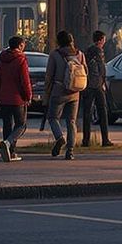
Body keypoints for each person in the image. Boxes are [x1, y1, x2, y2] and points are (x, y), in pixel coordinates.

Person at [43, 31, 86, 160]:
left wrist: (47, 92)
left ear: (59, 41)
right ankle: (70, 151)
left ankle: (59, 137)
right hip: (75, 92)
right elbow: (85, 71)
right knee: (71, 121)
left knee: (52, 117)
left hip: (58, 90)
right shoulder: (80, 54)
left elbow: (49, 75)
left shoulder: (55, 55)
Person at [0, 35, 33, 161]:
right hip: (17, 98)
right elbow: (25, 81)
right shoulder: (21, 59)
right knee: (21, 125)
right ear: (20, 45)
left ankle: (9, 152)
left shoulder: (2, 60)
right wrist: (28, 96)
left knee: (7, 124)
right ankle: (9, 144)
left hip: (3, 97)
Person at [81, 29, 112, 148]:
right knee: (102, 111)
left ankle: (86, 140)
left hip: (88, 84)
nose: (104, 41)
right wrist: (103, 81)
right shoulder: (98, 51)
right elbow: (101, 69)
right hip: (97, 84)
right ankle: (105, 139)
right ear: (100, 40)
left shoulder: (87, 51)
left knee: (87, 113)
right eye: (103, 39)